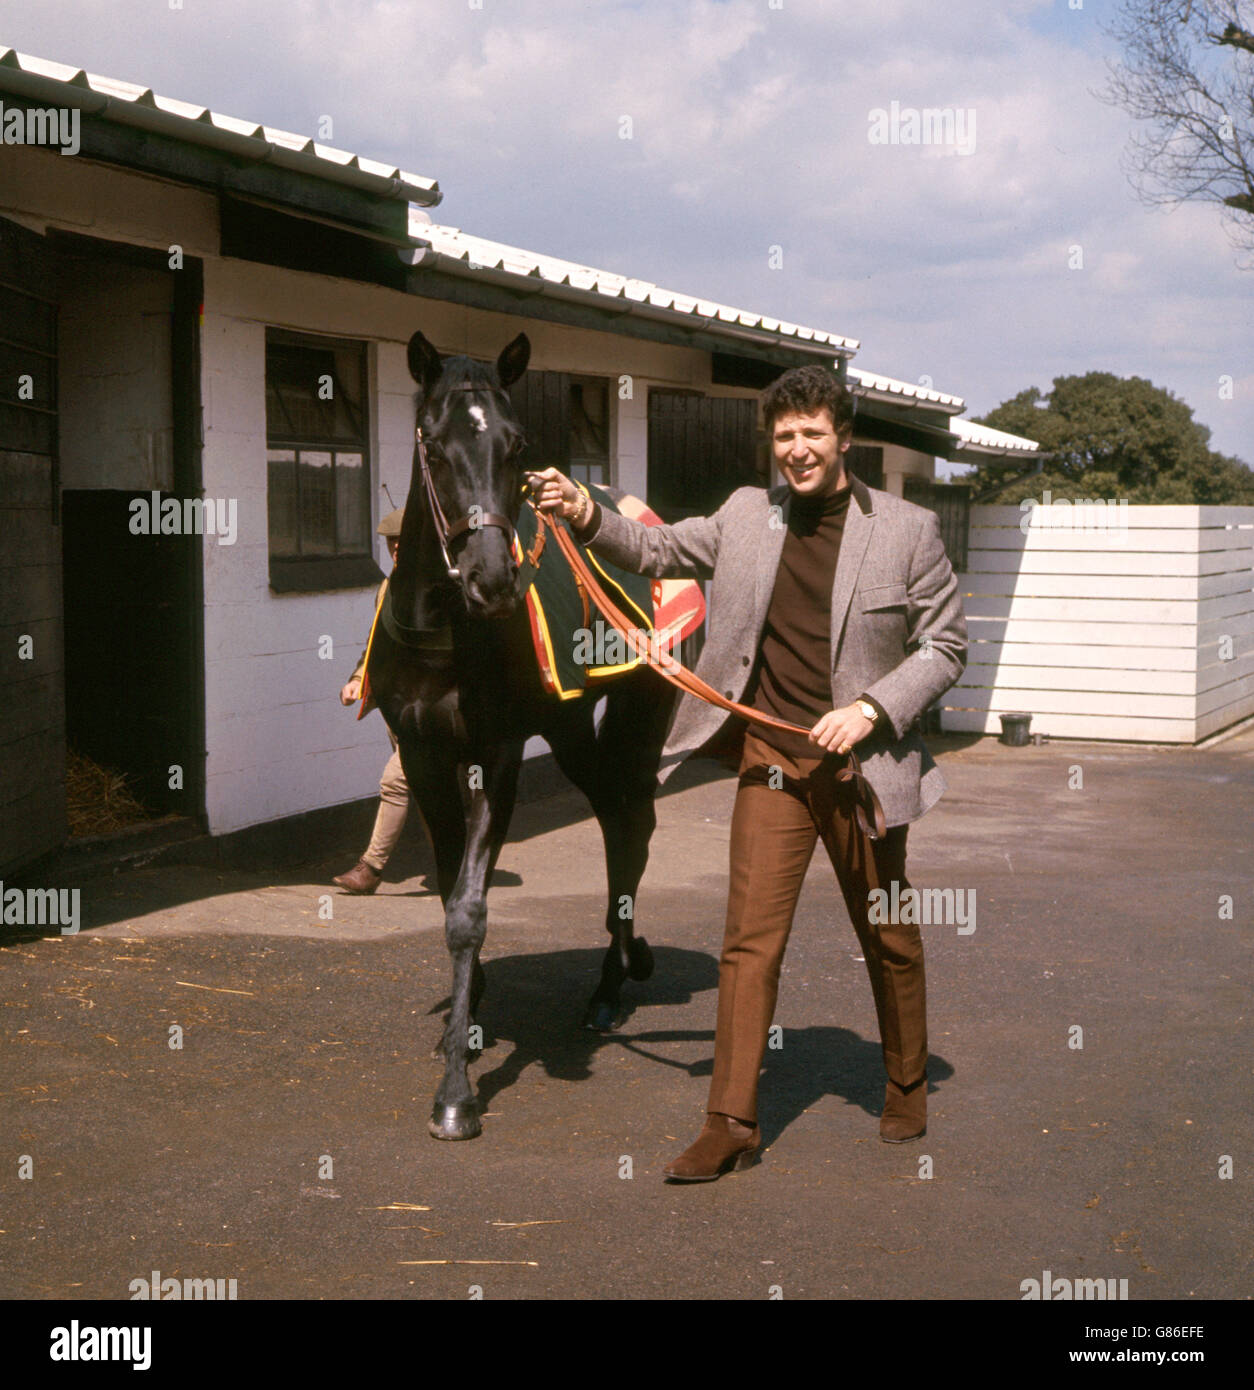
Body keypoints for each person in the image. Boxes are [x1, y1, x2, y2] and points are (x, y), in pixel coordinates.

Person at [530, 364, 966, 1181]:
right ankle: (730, 1120)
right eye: (783, 437)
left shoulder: (908, 530)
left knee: (887, 932)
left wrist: (871, 711)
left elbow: (945, 648)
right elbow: (655, 549)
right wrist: (584, 509)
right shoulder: (743, 515)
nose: (796, 451)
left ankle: (906, 1081)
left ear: (842, 438)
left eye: (811, 435)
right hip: (771, 760)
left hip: (861, 770)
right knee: (748, 941)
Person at [332, 508, 410, 894]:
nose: (396, 548)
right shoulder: (389, 586)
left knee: (396, 781)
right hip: (397, 708)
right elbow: (376, 643)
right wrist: (359, 679)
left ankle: (371, 869)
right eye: (389, 542)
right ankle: (460, 869)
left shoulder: (443, 588)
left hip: (429, 711)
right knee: (428, 792)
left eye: (403, 541)